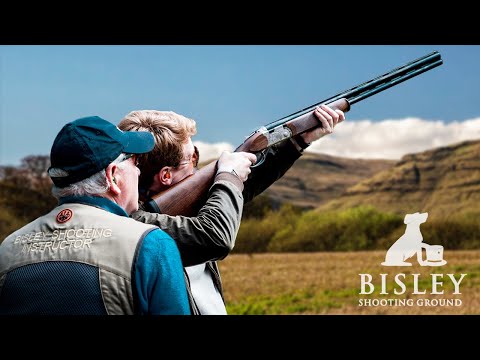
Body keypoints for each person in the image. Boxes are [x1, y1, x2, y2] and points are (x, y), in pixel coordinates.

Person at [118, 104, 345, 314]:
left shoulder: (177, 208)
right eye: (193, 157)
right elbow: (214, 235)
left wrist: (297, 142)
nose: (198, 165)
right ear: (166, 175)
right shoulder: (135, 226)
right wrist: (228, 175)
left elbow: (231, 198)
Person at [0, 116, 193, 315]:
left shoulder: (8, 248)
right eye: (135, 162)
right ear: (113, 176)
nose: (138, 172)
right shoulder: (151, 245)